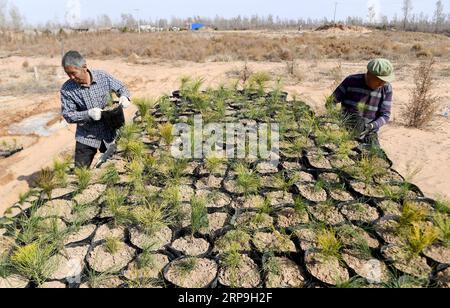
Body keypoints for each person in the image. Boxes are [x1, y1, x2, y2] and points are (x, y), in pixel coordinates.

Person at [60, 50, 131, 168]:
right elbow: (68, 115)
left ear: (84, 67)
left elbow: (121, 87)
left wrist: (124, 97)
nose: (71, 77)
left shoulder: (103, 77)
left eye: (73, 73)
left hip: (111, 132)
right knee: (80, 173)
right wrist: (88, 114)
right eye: (68, 74)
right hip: (86, 136)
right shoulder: (67, 89)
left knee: (123, 163)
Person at [329, 58, 394, 146]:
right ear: (369, 74)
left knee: (376, 157)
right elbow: (330, 102)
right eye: (380, 80)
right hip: (345, 130)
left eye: (385, 81)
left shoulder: (386, 88)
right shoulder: (351, 81)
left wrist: (371, 126)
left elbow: (385, 115)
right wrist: (337, 121)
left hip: (369, 133)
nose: (382, 84)